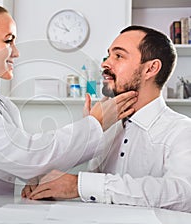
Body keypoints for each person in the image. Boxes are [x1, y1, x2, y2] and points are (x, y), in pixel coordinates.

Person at [0, 2, 137, 196]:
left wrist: (34, 178)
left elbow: (22, 159)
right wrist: (95, 123)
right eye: (8, 41)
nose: (16, 52)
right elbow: (29, 156)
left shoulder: (2, 106)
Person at [23, 25, 191, 212]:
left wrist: (78, 185)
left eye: (118, 56)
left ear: (151, 69)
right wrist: (51, 185)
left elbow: (184, 194)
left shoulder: (182, 131)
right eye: (109, 55)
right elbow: (92, 193)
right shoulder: (109, 128)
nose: (105, 63)